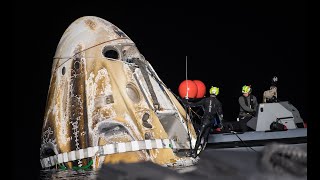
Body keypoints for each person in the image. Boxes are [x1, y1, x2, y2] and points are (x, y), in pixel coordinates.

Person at [182, 86, 223, 158]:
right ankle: (202, 152)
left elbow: (194, 104)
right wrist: (221, 124)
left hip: (205, 120)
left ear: (210, 91)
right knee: (206, 136)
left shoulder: (206, 100)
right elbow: (220, 115)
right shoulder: (218, 102)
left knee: (200, 136)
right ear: (217, 93)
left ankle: (194, 152)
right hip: (211, 122)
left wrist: (185, 101)